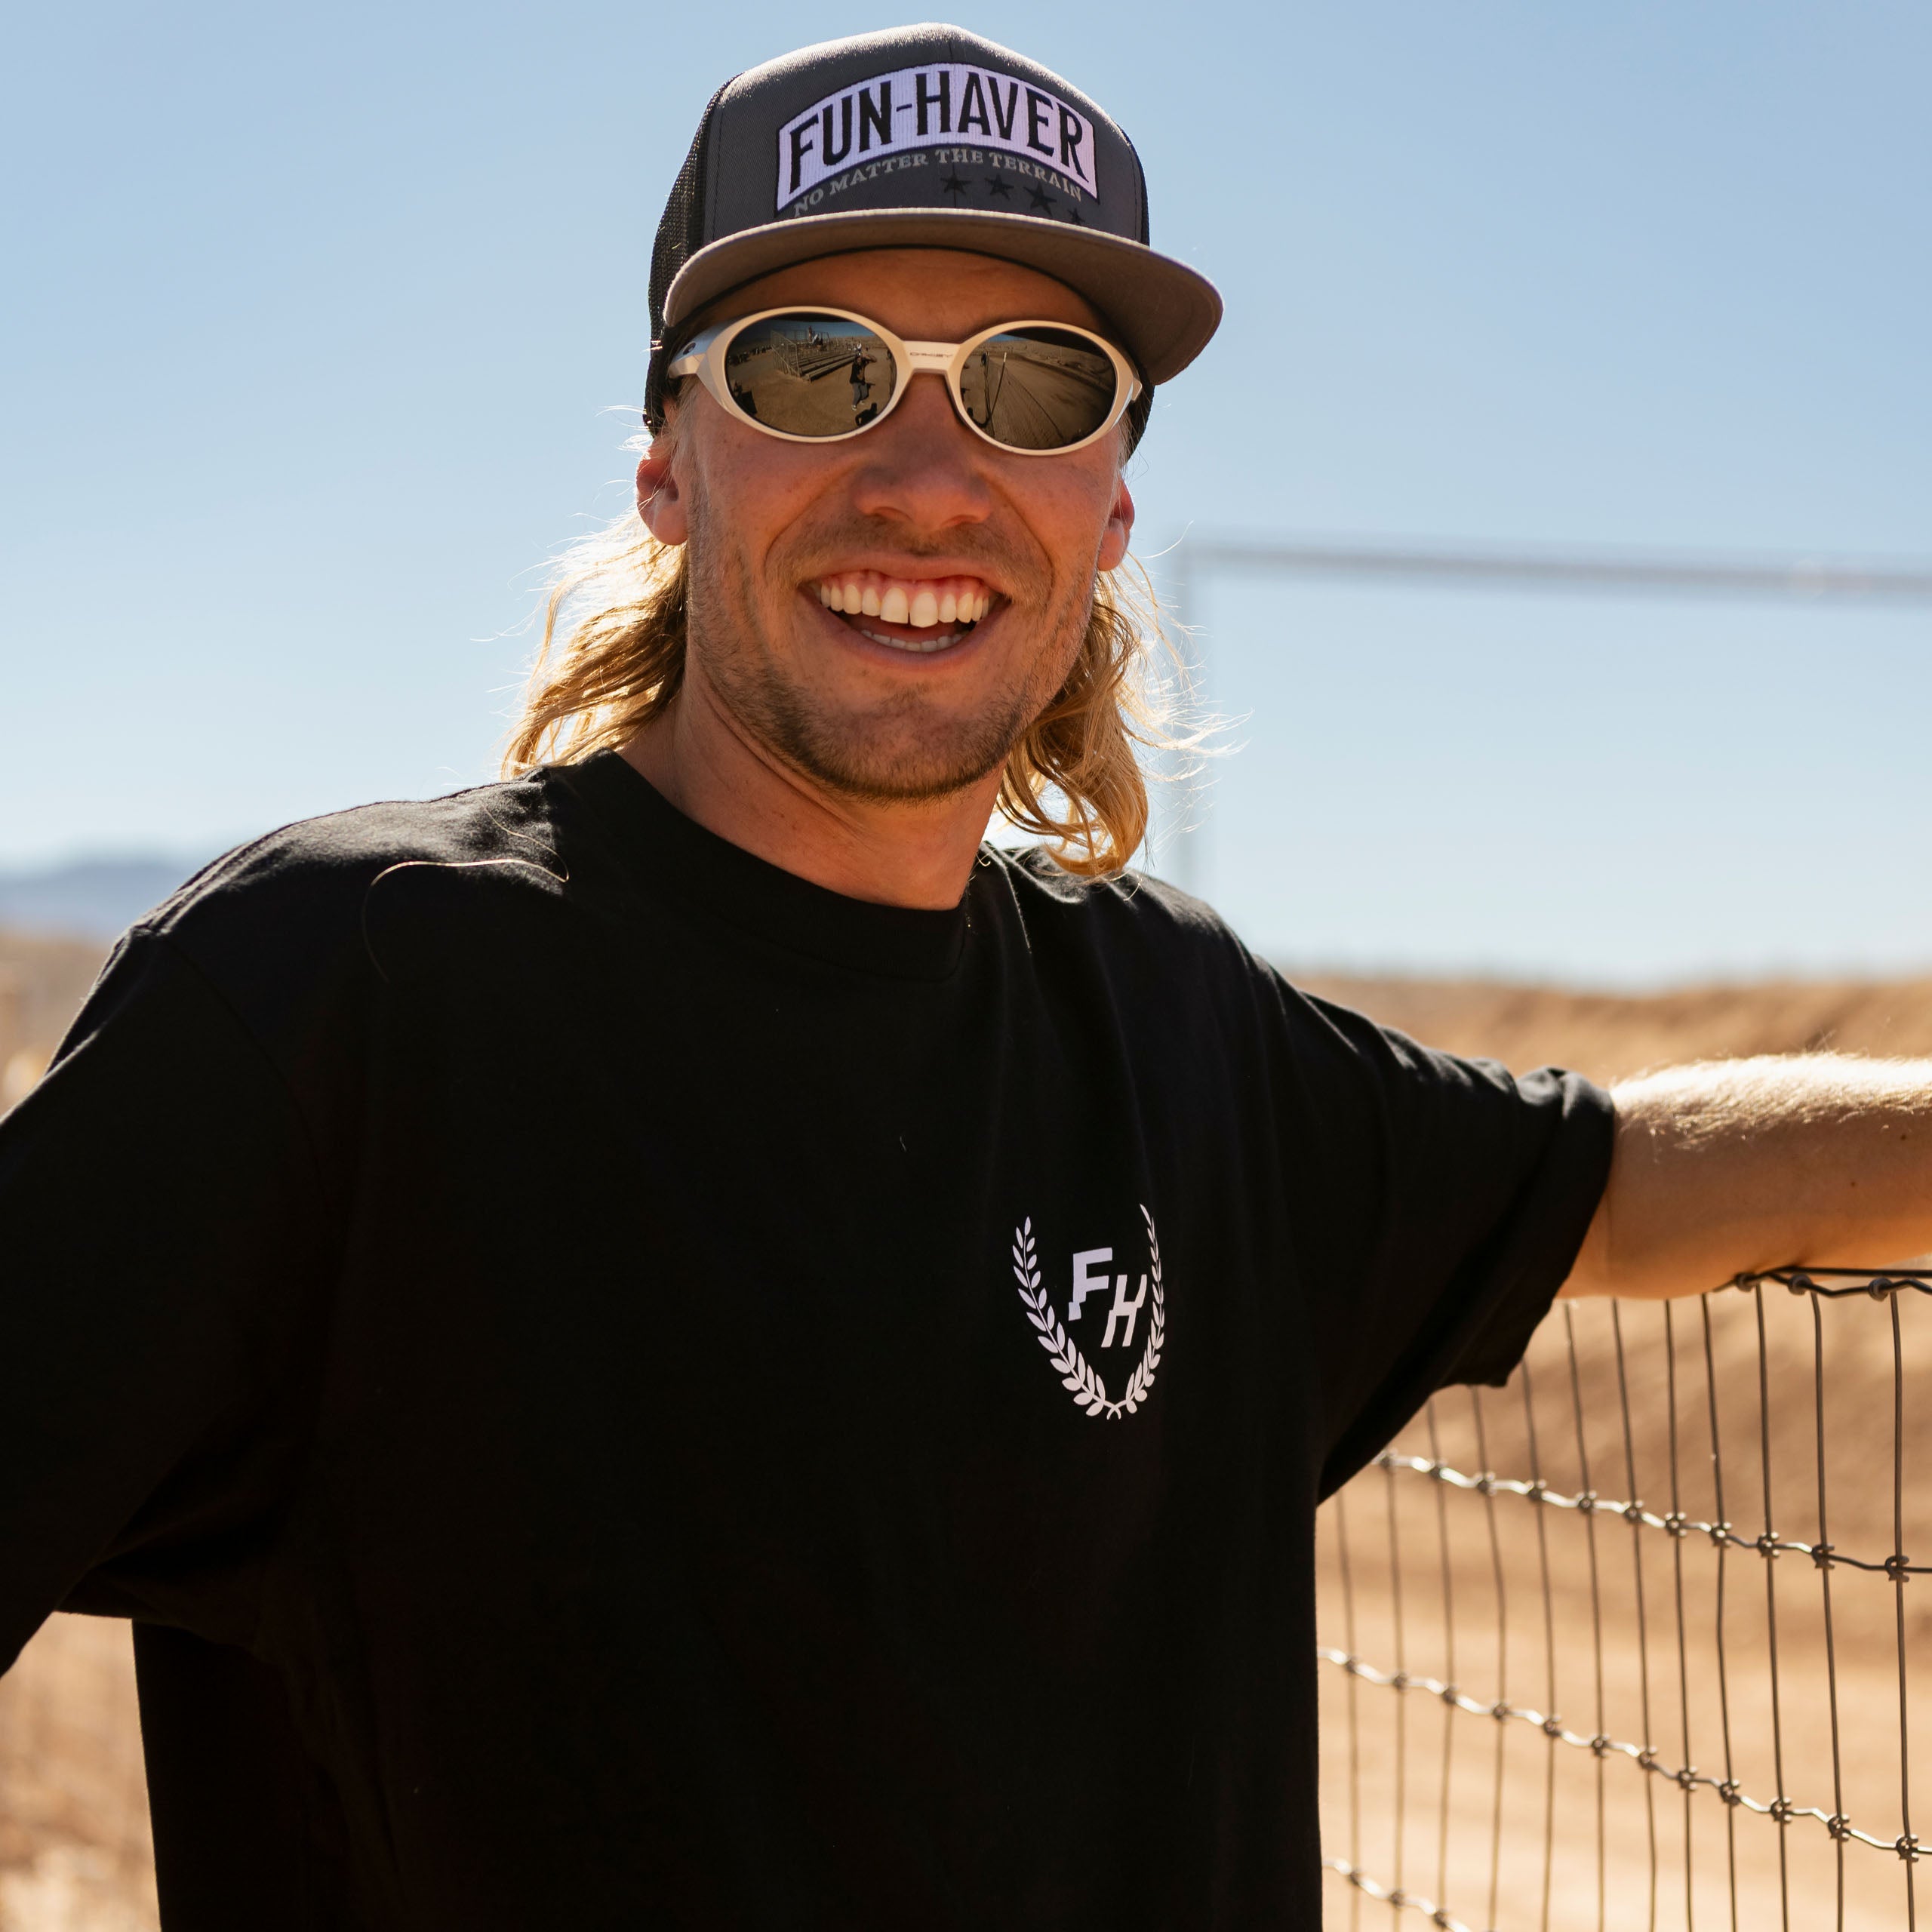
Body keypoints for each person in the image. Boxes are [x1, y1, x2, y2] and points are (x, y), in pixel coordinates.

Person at [2, 23, 1927, 1930]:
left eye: (1034, 383)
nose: (928, 475)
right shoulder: (331, 993)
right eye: (818, 369)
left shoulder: (1180, 1037)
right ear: (672, 462)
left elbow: (1627, 1176)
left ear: (1106, 506)